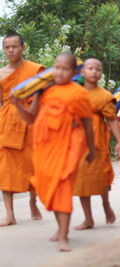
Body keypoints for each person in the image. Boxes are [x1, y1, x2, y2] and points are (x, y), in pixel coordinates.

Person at [12, 52, 96, 251]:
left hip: (69, 146)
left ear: (73, 71)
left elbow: (87, 123)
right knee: (48, 188)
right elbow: (32, 118)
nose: (59, 72)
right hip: (44, 147)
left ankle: (64, 237)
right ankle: (60, 229)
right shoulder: (43, 91)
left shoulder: (78, 93)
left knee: (63, 188)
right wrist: (16, 104)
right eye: (56, 67)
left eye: (65, 68)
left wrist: (91, 149)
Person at [73, 58, 120, 230]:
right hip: (78, 143)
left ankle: (106, 205)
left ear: (100, 74)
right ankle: (88, 218)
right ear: (82, 72)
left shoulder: (105, 96)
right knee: (81, 181)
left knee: (101, 178)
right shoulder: (74, 93)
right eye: (90, 68)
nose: (94, 71)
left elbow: (112, 120)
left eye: (97, 69)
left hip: (97, 143)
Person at [0, 33, 44, 226]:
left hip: (29, 120)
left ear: (23, 47)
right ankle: (9, 214)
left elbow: (44, 97)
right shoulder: (1, 73)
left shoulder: (35, 70)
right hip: (6, 124)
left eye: (14, 46)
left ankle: (33, 201)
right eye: (7, 47)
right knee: (5, 169)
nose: (11, 50)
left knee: (31, 166)